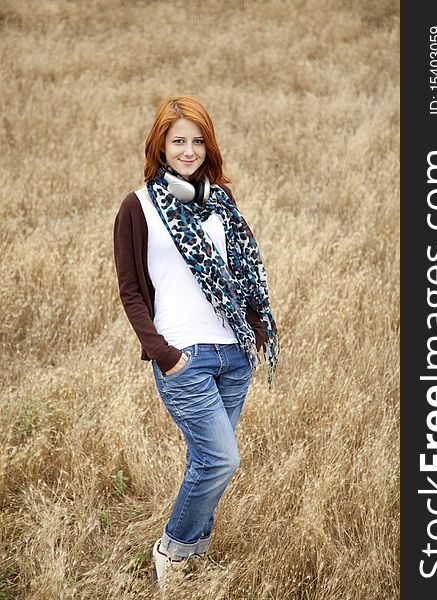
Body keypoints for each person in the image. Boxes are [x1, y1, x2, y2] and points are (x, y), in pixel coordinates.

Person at [113, 95, 279, 588]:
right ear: (160, 146)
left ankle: (197, 553)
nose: (189, 150)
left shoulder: (221, 203)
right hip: (186, 355)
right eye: (178, 140)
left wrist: (256, 328)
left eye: (198, 140)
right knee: (221, 458)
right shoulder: (138, 206)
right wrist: (165, 356)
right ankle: (174, 549)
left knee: (209, 460)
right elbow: (131, 291)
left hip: (234, 353)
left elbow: (244, 272)